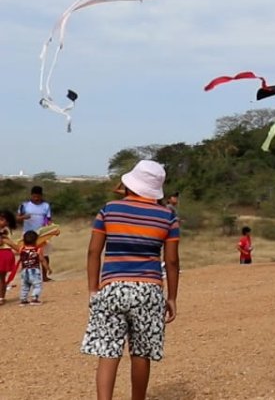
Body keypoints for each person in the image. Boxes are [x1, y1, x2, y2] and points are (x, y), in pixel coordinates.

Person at [81, 160, 180, 400]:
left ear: (128, 183)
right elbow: (173, 261)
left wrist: (94, 289)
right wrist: (172, 297)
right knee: (141, 353)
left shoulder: (109, 209)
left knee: (108, 351)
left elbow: (94, 252)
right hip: (149, 290)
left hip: (112, 288)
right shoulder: (168, 216)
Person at [17, 185, 53, 280]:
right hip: (27, 233)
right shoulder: (24, 205)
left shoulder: (46, 205)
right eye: (34, 196)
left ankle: (44, 276)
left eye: (38, 196)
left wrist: (52, 227)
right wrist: (23, 217)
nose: (36, 198)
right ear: (31, 195)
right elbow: (17, 218)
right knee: (27, 254)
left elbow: (48, 219)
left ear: (41, 196)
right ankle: (27, 276)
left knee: (44, 254)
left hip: (42, 234)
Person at [17, 231, 47, 305]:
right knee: (37, 285)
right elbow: (42, 260)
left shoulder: (21, 249)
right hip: (34, 270)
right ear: (36, 240)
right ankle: (34, 299)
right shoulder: (37, 250)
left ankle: (23, 300)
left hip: (24, 271)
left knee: (25, 285)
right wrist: (47, 268)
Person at [0, 210, 16, 305]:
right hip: (4, 253)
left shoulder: (5, 231)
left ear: (7, 222)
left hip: (3, 254)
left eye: (1, 220)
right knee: (2, 278)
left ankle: (1, 298)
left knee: (1, 278)